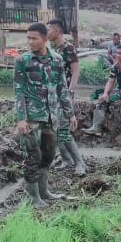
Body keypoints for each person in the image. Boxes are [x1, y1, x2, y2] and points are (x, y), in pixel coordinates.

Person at [14, 22, 75, 208]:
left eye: (34, 38)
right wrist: (21, 118)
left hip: (51, 117)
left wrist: (70, 114)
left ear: (45, 39)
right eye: (28, 38)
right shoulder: (22, 61)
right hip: (31, 119)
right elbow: (19, 91)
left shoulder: (56, 60)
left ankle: (44, 191)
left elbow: (62, 89)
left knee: (48, 155)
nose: (30, 42)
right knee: (32, 157)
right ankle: (33, 198)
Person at [47, 20, 87, 176]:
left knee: (63, 130)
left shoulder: (68, 48)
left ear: (57, 31)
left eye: (48, 29)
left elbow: (76, 71)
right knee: (56, 129)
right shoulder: (52, 49)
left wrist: (70, 92)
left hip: (64, 94)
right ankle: (66, 159)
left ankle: (79, 163)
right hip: (54, 95)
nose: (47, 32)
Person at [83, 43, 121, 137]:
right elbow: (110, 81)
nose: (117, 55)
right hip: (120, 90)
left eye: (120, 53)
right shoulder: (115, 66)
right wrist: (106, 93)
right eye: (117, 53)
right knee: (102, 98)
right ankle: (96, 127)